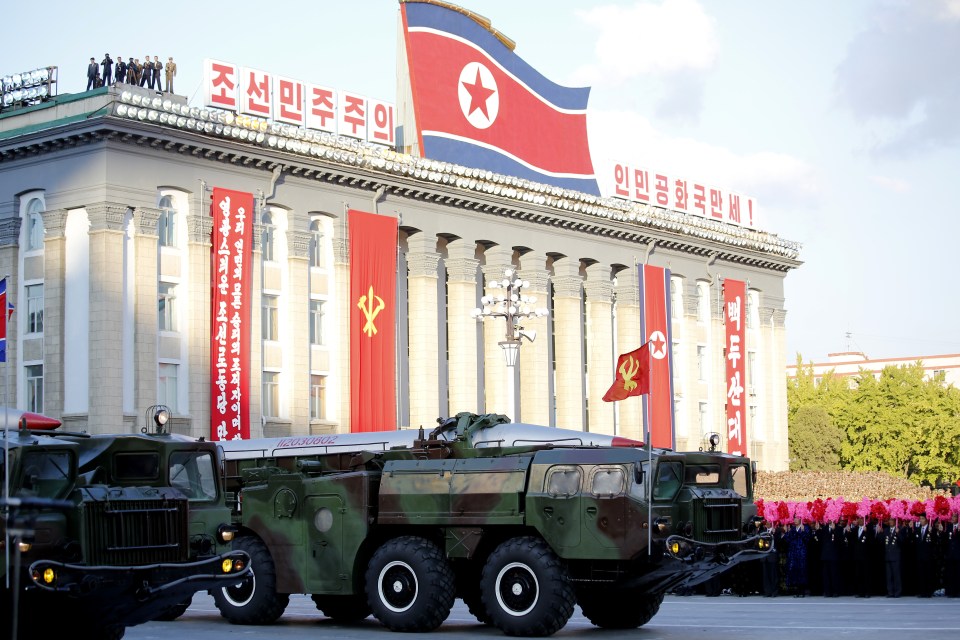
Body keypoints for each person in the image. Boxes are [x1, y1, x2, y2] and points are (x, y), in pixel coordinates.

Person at [783, 516, 811, 597]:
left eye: (796, 519)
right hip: (793, 553)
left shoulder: (805, 528)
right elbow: (788, 540)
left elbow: (807, 539)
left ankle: (802, 591)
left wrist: (803, 531)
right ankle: (796, 591)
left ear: (801, 519)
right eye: (794, 519)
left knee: (802, 570)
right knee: (794, 571)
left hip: (802, 552)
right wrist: (786, 533)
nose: (795, 520)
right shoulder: (792, 529)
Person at [848, 516, 873, 597]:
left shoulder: (869, 529)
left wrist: (866, 532)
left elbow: (872, 542)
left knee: (866, 574)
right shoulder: (855, 529)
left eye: (861, 518)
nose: (859, 520)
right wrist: (848, 532)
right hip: (857, 556)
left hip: (866, 556)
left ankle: (867, 592)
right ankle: (860, 592)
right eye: (858, 518)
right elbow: (851, 541)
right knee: (858, 575)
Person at [913, 514, 937, 597]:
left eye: (923, 519)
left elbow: (934, 542)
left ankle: (929, 592)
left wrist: (932, 532)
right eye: (920, 519)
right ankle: (922, 592)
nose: (921, 520)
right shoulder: (917, 529)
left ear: (926, 520)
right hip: (920, 556)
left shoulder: (931, 529)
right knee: (921, 574)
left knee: (928, 574)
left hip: (928, 556)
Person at [818, 521, 843, 597]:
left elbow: (840, 541)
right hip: (825, 555)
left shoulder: (839, 528)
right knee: (826, 575)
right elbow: (820, 540)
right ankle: (827, 591)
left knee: (834, 574)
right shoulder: (824, 528)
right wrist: (818, 530)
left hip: (834, 555)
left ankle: (835, 591)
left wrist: (834, 530)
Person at [884, 518, 907, 598]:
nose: (890, 522)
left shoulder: (900, 529)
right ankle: (890, 592)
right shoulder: (886, 530)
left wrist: (898, 533)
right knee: (889, 575)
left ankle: (897, 592)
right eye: (889, 520)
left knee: (896, 575)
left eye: (892, 520)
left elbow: (903, 542)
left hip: (896, 556)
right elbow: (881, 541)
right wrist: (879, 532)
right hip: (888, 556)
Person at [761, 520, 781, 597]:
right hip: (764, 556)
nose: (767, 523)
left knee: (773, 574)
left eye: (769, 521)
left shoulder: (776, 531)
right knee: (765, 575)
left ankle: (774, 591)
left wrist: (774, 533)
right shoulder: (762, 531)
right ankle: (767, 591)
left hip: (772, 555)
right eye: (766, 521)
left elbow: (779, 542)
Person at [946, 513, 960, 598]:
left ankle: (958, 591)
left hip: (958, 555)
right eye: (952, 516)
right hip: (950, 555)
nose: (952, 518)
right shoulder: (949, 527)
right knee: (951, 574)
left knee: (958, 574)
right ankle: (951, 591)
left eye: (954, 516)